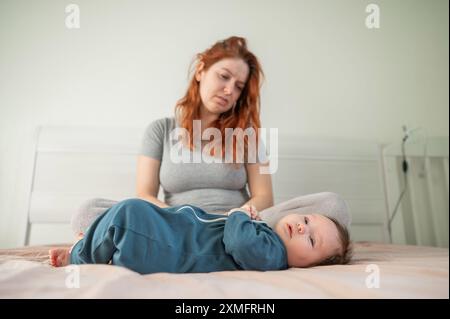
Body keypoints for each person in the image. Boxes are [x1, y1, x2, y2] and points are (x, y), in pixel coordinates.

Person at [71, 36, 352, 238]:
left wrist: (238, 218)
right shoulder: (159, 130)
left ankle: (222, 239)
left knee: (333, 206)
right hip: (175, 223)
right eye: (223, 76)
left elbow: (264, 196)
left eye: (238, 86)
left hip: (241, 223)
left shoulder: (250, 135)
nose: (229, 90)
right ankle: (201, 239)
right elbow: (144, 194)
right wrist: (179, 218)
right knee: (88, 212)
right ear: (201, 70)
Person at [50, 198, 352, 273]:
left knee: (128, 213)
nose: (302, 227)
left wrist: (238, 214)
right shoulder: (271, 242)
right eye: (306, 220)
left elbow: (240, 241)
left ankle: (80, 255)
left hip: (171, 241)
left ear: (307, 265)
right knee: (109, 210)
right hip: (178, 218)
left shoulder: (273, 255)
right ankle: (95, 241)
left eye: (311, 240)